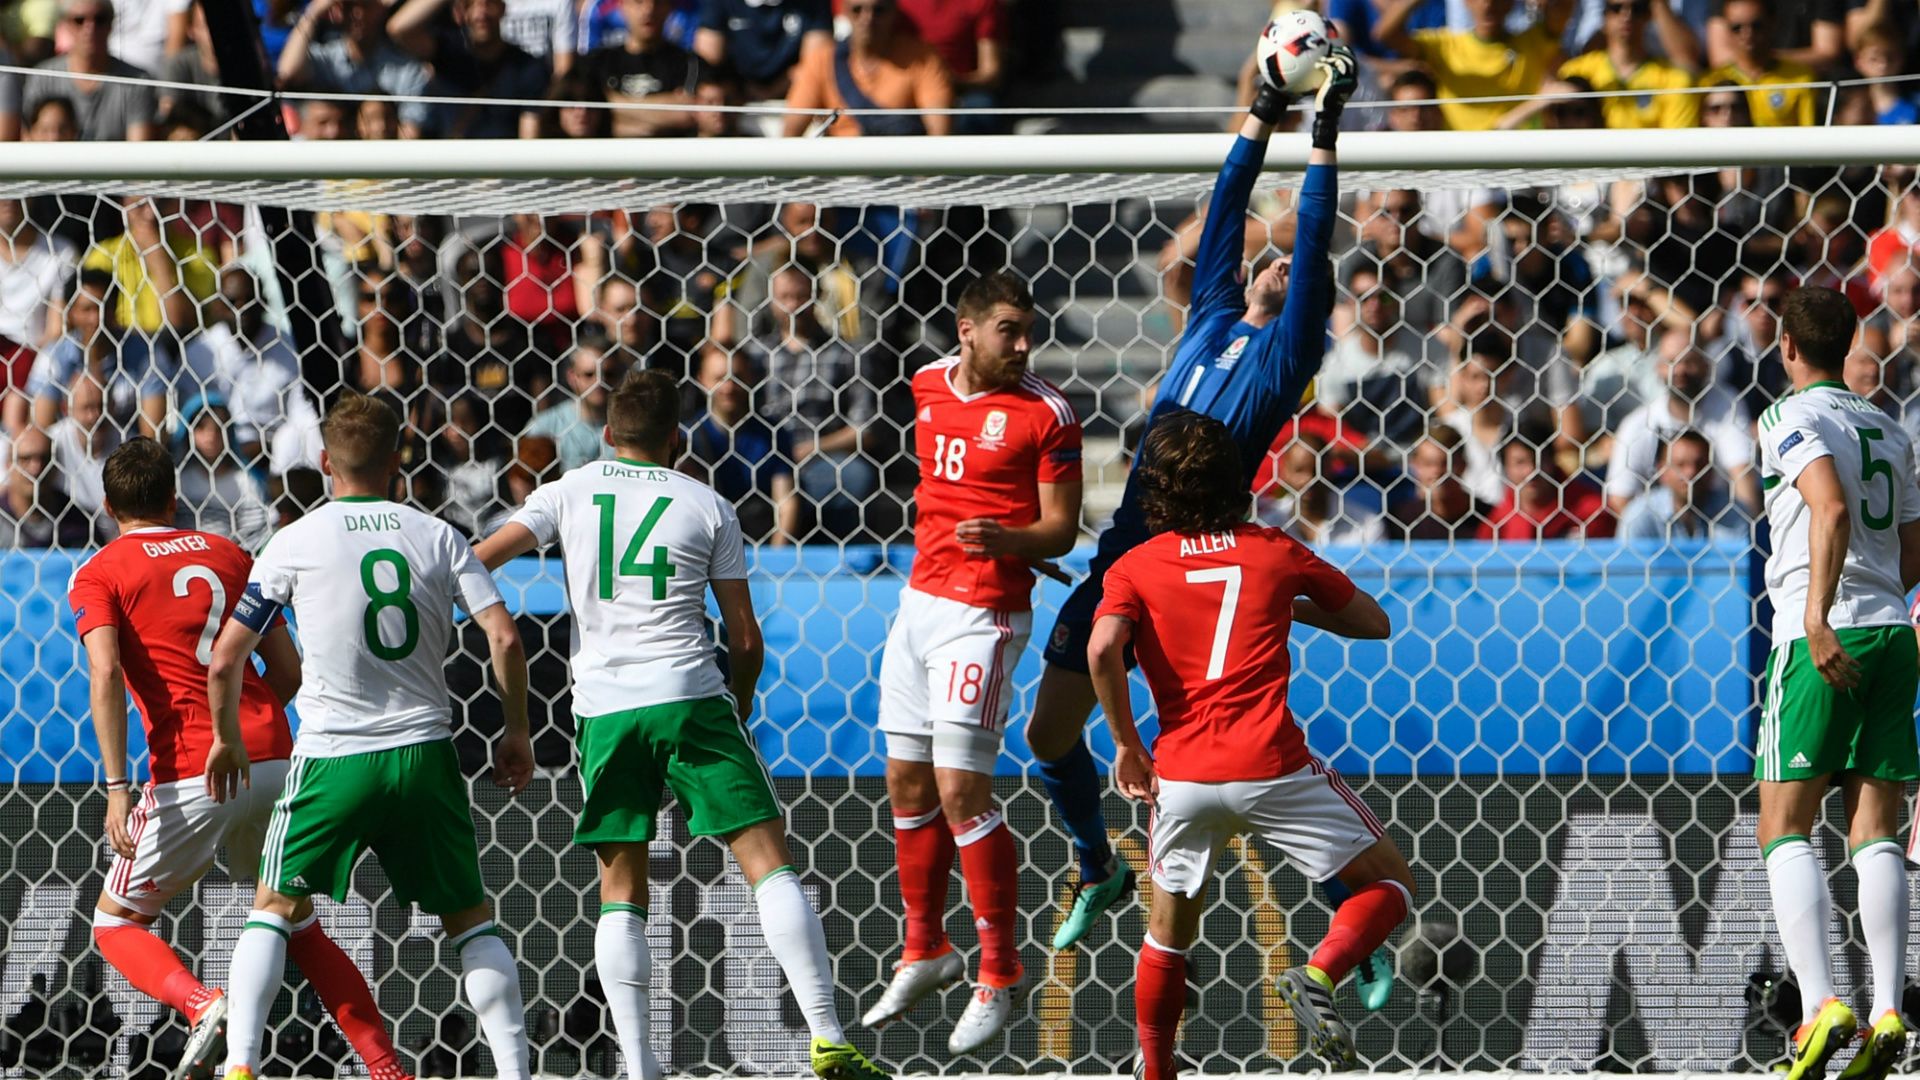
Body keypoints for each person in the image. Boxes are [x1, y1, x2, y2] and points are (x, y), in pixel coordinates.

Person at [1023, 42, 1379, 992]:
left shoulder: (1285, 359)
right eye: (1267, 264)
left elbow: (1313, 242)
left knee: (1234, 772)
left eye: (1292, 277)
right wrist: (1261, 109)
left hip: (1187, 565)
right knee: (1047, 737)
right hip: (1123, 557)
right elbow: (1225, 214)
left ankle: (1352, 920)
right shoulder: (1213, 319)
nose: (1275, 267)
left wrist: (1324, 130)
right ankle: (1097, 866)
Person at [472, 369, 889, 1080]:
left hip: (605, 709)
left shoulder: (568, 490)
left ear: (608, 433)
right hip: (692, 695)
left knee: (620, 891)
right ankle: (826, 1034)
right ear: (678, 439)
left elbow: (478, 560)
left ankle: (641, 1066)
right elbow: (746, 639)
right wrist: (741, 703)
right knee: (768, 864)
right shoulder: (707, 503)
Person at [206, 393, 534, 1080]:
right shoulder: (439, 536)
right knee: (471, 922)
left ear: (327, 464)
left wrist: (228, 738)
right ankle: (515, 1073)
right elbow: (504, 637)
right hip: (425, 755)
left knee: (273, 908)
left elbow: (226, 657)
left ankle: (241, 1066)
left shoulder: (293, 541)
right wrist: (516, 731)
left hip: (334, 757)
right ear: (395, 464)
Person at [65, 438, 410, 1080]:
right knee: (298, 925)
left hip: (192, 769)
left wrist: (116, 786)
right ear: (175, 498)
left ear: (109, 508)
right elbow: (289, 670)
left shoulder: (100, 572)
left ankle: (202, 1005)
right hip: (275, 758)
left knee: (115, 926)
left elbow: (105, 672)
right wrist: (250, 723)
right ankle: (388, 1068)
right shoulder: (228, 555)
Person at [1086, 412, 1411, 1074]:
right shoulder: (1274, 550)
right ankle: (1318, 976)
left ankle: (1157, 1069)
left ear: (1155, 490)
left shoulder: (1135, 566)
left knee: (1167, 939)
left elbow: (1101, 649)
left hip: (1181, 776)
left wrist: (1126, 745)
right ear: (1239, 481)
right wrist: (1286, 602)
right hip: (1273, 767)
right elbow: (1374, 623)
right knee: (1391, 885)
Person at [861, 271, 1082, 1054]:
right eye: (1007, 331)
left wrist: (1009, 540)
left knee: (961, 790)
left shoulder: (1049, 413)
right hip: (917, 605)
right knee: (906, 782)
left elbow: (1061, 529)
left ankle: (1000, 971)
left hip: (984, 615)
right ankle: (925, 947)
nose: (1022, 346)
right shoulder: (926, 384)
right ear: (967, 330)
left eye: (1029, 332)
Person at [1752, 286, 1920, 1080]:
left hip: (1820, 632)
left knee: (1782, 824)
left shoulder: (1787, 416)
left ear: (1787, 346)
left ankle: (1820, 1005)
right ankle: (1887, 1009)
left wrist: (1819, 618)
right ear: (1850, 341)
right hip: (1891, 629)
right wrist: (1879, 604)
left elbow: (1829, 510)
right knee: (1875, 828)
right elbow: (1913, 544)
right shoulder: (1889, 427)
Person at [1375, 0, 1572, 132]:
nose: (1488, 4)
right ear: (1465, 2)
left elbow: (1564, 9)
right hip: (1459, 163)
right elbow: (1385, 35)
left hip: (1519, 163)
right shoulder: (1445, 46)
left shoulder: (1533, 42)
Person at [781, 0, 953, 137]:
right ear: (845, 12)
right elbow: (790, 134)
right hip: (840, 163)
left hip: (901, 162)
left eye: (879, 10)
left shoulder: (923, 58)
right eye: (857, 10)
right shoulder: (821, 60)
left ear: (894, 11)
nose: (868, 18)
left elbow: (939, 134)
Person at [11, 0, 158, 142]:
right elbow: (27, 138)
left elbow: (138, 149)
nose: (90, 28)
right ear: (65, 25)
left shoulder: (136, 82)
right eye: (79, 20)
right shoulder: (42, 78)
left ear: (111, 24)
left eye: (100, 19)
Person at [576, 0, 718, 138]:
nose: (648, 10)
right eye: (638, 2)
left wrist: (611, 102)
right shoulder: (596, 63)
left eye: (658, 2)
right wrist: (664, 111)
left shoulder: (691, 64)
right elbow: (582, 117)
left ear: (670, 7)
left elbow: (688, 114)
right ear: (622, 5)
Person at [1555, 0, 1699, 129]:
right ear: (1604, 17)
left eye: (1637, 9)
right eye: (1616, 8)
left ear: (1650, 15)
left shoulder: (1675, 80)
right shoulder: (1576, 71)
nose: (1626, 15)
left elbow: (1675, 146)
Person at [1615, 429, 1746, 541]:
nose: (1691, 472)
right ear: (1662, 471)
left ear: (1711, 470)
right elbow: (1628, 562)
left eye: (1700, 464)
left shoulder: (1732, 513)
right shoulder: (1640, 515)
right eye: (1680, 465)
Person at [1704, 0, 1818, 127]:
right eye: (1737, 28)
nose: (1747, 34)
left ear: (1773, 23)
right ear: (1726, 30)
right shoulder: (1711, 82)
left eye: (1756, 26)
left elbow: (1810, 134)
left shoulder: (1801, 79)